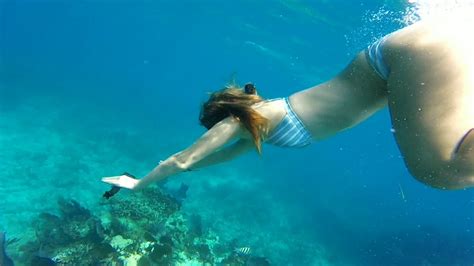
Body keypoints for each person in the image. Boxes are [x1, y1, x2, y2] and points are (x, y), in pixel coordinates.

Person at [102, 12, 474, 191]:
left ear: (221, 119)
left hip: (402, 56)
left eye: (214, 127)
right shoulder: (254, 132)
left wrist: (139, 184)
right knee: (453, 167)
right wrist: (164, 174)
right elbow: (199, 164)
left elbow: (183, 159)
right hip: (413, 54)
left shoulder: (243, 121)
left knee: (438, 172)